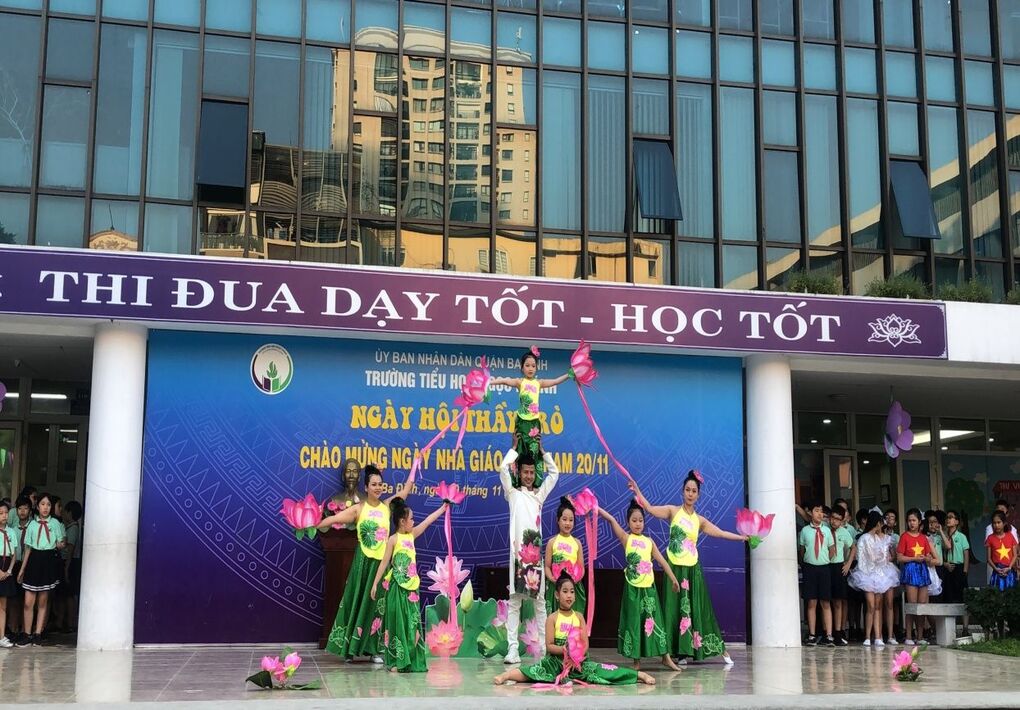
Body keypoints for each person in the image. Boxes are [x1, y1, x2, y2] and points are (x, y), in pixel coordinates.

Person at [628, 470, 747, 666]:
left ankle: (718, 649)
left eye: (694, 491)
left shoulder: (699, 521)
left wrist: (742, 538)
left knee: (698, 608)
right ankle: (679, 653)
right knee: (673, 609)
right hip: (674, 569)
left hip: (692, 570)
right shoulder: (672, 511)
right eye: (687, 490)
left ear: (698, 495)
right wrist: (637, 489)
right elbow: (649, 508)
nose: (690, 494)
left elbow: (721, 533)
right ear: (682, 492)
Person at [319, 464, 414, 663]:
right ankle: (349, 649)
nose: (378, 488)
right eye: (374, 484)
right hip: (362, 565)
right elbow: (334, 519)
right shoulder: (359, 509)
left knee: (377, 607)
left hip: (381, 566)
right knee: (356, 602)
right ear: (366, 487)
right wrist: (311, 524)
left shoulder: (387, 507)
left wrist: (415, 464)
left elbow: (405, 490)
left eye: (380, 484)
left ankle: (374, 651)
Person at [493, 572, 656, 687]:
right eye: (565, 592)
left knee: (606, 671)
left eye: (572, 592)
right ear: (557, 595)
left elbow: (585, 643)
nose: (569, 595)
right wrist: (564, 650)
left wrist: (576, 656)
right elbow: (549, 646)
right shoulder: (552, 618)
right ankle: (506, 675)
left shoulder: (578, 616)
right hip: (556, 663)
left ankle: (638, 675)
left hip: (578, 663)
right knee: (532, 672)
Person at [598, 500, 681, 671]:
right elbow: (611, 519)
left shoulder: (649, 542)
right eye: (634, 520)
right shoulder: (626, 538)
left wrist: (673, 578)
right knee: (635, 623)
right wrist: (595, 507)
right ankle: (636, 662)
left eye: (640, 520)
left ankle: (665, 657)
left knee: (655, 621)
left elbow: (662, 561)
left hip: (649, 588)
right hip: (632, 589)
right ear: (628, 522)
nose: (637, 523)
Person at [498, 441, 560, 665]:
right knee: (514, 603)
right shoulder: (512, 494)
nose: (529, 476)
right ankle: (513, 649)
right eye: (525, 472)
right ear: (519, 472)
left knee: (540, 604)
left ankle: (544, 650)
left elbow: (555, 473)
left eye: (532, 473)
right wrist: (514, 450)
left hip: (535, 559)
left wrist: (544, 453)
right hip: (518, 558)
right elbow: (502, 468)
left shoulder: (539, 495)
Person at [370, 497, 447, 673]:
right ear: (402, 521)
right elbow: (384, 563)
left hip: (412, 589)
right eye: (411, 519)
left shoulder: (411, 535)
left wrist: (443, 508)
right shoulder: (393, 539)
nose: (414, 522)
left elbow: (428, 521)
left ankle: (412, 660)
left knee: (412, 624)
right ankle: (397, 661)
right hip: (397, 588)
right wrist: (375, 583)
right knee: (397, 622)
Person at [489, 348, 569, 481]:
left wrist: (569, 375)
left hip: (534, 424)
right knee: (518, 450)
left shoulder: (539, 383)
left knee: (534, 451)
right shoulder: (520, 383)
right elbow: (504, 380)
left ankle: (536, 482)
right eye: (527, 365)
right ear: (522, 368)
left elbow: (555, 381)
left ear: (536, 368)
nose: (530, 368)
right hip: (521, 422)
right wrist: (488, 382)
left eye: (533, 366)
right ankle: (516, 481)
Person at [17, 493, 65, 646]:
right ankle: (27, 633)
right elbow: (28, 549)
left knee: (43, 601)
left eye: (48, 505)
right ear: (37, 507)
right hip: (34, 561)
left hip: (48, 560)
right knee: (28, 602)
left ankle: (38, 633)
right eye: (43, 504)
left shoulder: (55, 523)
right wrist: (22, 570)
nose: (45, 507)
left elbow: (61, 543)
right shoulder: (32, 524)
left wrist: (60, 544)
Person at [848, 511, 899, 647]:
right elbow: (866, 556)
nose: (881, 526)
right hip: (867, 574)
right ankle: (867, 636)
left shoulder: (879, 538)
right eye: (879, 523)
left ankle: (878, 636)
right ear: (877, 523)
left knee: (878, 605)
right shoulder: (864, 538)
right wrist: (880, 559)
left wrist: (883, 558)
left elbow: (885, 555)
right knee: (870, 605)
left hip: (879, 573)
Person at [799, 502, 836, 647]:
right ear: (810, 513)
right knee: (811, 602)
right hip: (810, 568)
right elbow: (802, 550)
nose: (820, 514)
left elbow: (832, 550)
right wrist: (807, 562)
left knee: (825, 602)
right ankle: (812, 634)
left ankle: (829, 635)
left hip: (824, 568)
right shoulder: (805, 531)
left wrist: (824, 559)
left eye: (821, 511)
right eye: (816, 511)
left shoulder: (827, 531)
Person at [896, 508, 934, 645]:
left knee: (922, 606)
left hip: (922, 570)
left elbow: (929, 556)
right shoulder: (904, 537)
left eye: (914, 520)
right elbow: (900, 557)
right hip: (911, 570)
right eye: (909, 520)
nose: (911, 523)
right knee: (912, 605)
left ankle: (920, 636)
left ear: (919, 522)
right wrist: (913, 558)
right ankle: (908, 636)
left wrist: (927, 558)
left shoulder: (923, 538)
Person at [544, 497, 586, 615]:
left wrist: (576, 579)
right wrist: (552, 578)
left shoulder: (577, 543)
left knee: (572, 619)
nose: (568, 523)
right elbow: (547, 566)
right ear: (558, 520)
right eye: (564, 519)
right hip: (556, 586)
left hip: (572, 586)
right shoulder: (552, 542)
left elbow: (581, 567)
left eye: (571, 520)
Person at [5, 497, 31, 644]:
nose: (22, 511)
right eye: (20, 508)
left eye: (26, 508)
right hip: (14, 565)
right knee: (14, 599)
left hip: (29, 566)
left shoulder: (33, 527)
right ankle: (13, 629)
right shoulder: (12, 530)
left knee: (26, 600)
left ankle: (24, 630)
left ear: (30, 510)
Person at [829, 505, 855, 646]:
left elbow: (853, 548)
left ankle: (838, 632)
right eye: (833, 518)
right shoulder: (824, 530)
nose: (834, 521)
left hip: (838, 567)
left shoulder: (844, 532)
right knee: (826, 601)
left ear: (842, 520)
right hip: (825, 565)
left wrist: (848, 563)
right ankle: (827, 632)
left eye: (838, 519)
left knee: (838, 601)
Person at [943, 510, 970, 634]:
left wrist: (965, 571)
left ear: (957, 521)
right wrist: (945, 564)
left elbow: (966, 554)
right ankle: (950, 629)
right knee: (949, 598)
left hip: (959, 568)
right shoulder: (943, 537)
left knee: (963, 598)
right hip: (948, 567)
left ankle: (965, 628)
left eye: (951, 517)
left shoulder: (961, 536)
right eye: (947, 517)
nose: (948, 520)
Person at [59, 501, 83, 634]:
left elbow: (70, 549)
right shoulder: (71, 527)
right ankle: (65, 622)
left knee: (69, 594)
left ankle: (70, 623)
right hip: (70, 562)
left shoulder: (73, 528)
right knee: (65, 594)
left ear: (70, 513)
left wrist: (66, 568)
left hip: (71, 562)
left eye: (66, 511)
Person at [0, 502, 19, 648]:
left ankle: (1, 636)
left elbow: (14, 554)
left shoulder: (11, 532)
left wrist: (9, 571)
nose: (4, 516)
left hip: (7, 569)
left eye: (6, 512)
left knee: (3, 606)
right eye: (0, 513)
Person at [327, 458, 365, 531]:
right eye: (348, 471)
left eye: (355, 471)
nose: (351, 475)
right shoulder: (335, 501)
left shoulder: (366, 501)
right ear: (343, 476)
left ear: (359, 477)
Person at [985, 510, 1016, 591]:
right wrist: (996, 569)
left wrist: (1009, 567)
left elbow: (1015, 555)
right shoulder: (990, 538)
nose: (996, 525)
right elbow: (989, 558)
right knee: (996, 594)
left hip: (1009, 572)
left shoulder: (1010, 536)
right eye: (994, 523)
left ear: (1004, 523)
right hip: (997, 572)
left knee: (1010, 594)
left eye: (999, 522)